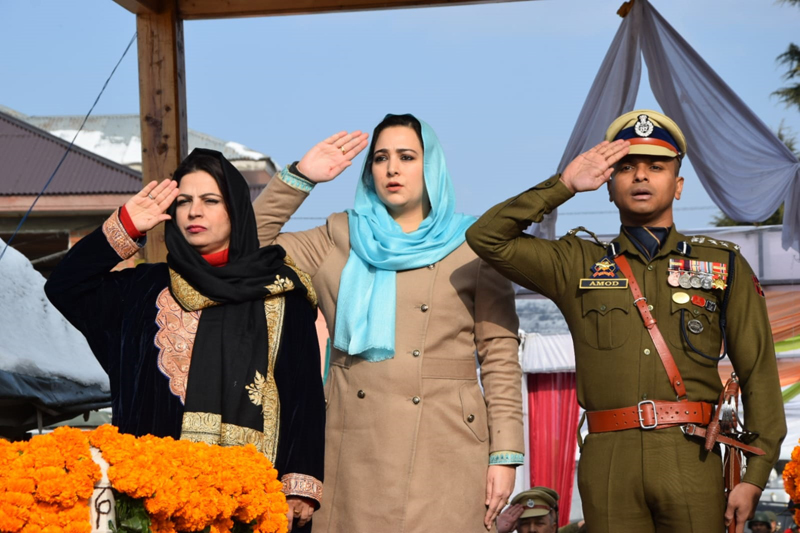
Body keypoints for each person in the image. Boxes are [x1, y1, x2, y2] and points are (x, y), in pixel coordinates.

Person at [466, 110, 786, 533]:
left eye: (656, 167)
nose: (640, 177)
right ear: (609, 186)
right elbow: (487, 237)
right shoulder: (576, 261)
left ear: (679, 185)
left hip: (692, 456)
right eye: (626, 167)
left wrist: (753, 477)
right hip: (609, 461)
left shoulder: (721, 264)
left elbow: (758, 371)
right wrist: (564, 185)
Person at [252, 114, 524, 532]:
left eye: (407, 156)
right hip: (353, 444)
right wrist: (301, 177)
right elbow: (248, 249)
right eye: (380, 158)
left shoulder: (473, 244)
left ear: (430, 165)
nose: (392, 168)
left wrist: (505, 457)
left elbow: (500, 356)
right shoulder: (337, 237)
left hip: (447, 444)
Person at [45, 149, 325, 532]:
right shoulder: (142, 290)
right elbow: (65, 286)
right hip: (150, 504)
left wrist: (301, 485)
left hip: (253, 501)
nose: (195, 212)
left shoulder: (279, 292)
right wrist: (126, 226)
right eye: (183, 202)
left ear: (237, 211)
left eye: (211, 201)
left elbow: (304, 394)